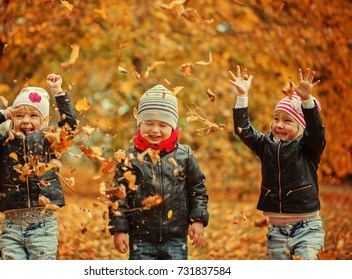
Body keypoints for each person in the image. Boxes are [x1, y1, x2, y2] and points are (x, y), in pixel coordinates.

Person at [0, 73, 78, 260]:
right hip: (12, 228)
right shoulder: (4, 143)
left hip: (43, 226)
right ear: (12, 120)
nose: (26, 120)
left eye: (33, 115)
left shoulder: (50, 143)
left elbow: (70, 124)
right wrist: (5, 113)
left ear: (43, 122)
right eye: (19, 115)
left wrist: (57, 92)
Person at [229, 66, 326, 260]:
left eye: (287, 121)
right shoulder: (266, 146)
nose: (279, 125)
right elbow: (244, 130)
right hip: (276, 230)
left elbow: (316, 131)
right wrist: (242, 96)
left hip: (307, 227)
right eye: (276, 119)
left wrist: (307, 101)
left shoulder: (308, 148)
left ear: (301, 128)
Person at [108, 84, 209, 260]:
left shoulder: (184, 156)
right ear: (140, 124)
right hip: (141, 238)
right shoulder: (130, 157)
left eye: (162, 124)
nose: (155, 130)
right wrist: (119, 229)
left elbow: (197, 190)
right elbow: (118, 197)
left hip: (176, 238)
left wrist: (198, 220)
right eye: (148, 123)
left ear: (173, 126)